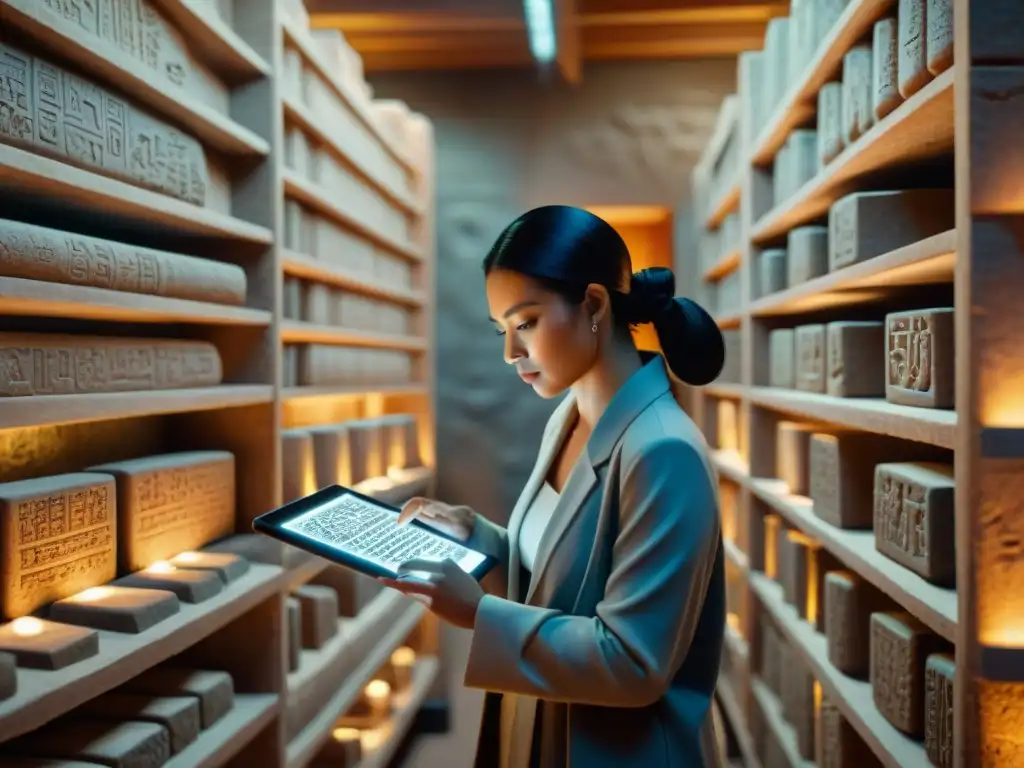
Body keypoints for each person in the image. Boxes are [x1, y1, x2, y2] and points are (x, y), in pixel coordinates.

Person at [380, 205, 727, 768]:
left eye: (527, 323)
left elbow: (633, 660)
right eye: (503, 330)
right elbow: (560, 576)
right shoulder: (568, 416)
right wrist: (476, 538)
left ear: (593, 305)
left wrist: (479, 615)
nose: (510, 354)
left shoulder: (664, 452)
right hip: (544, 729)